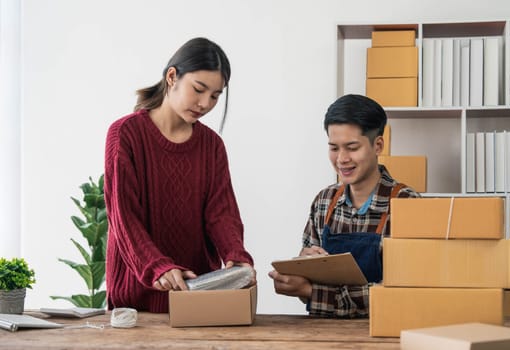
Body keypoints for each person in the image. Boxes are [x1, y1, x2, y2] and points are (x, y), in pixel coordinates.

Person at [104, 37, 256, 313]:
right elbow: (123, 216)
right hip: (137, 299)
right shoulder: (125, 134)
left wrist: (236, 256)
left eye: (215, 95)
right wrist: (156, 266)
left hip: (196, 294)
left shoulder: (212, 146)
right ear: (172, 76)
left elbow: (221, 214)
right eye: (198, 89)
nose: (205, 103)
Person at [268, 94, 420, 318]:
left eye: (352, 147)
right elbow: (306, 288)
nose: (341, 159)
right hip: (324, 333)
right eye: (334, 148)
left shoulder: (408, 204)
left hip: (383, 333)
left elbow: (402, 293)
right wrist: (300, 271)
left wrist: (312, 292)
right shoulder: (324, 202)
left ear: (378, 145)